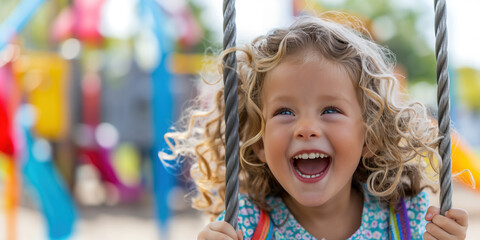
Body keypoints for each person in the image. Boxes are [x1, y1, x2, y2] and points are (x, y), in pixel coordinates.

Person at [161, 14, 468, 240]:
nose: (306, 128)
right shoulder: (247, 225)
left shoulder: (403, 218)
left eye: (330, 110)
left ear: (369, 136)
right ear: (259, 143)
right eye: (284, 111)